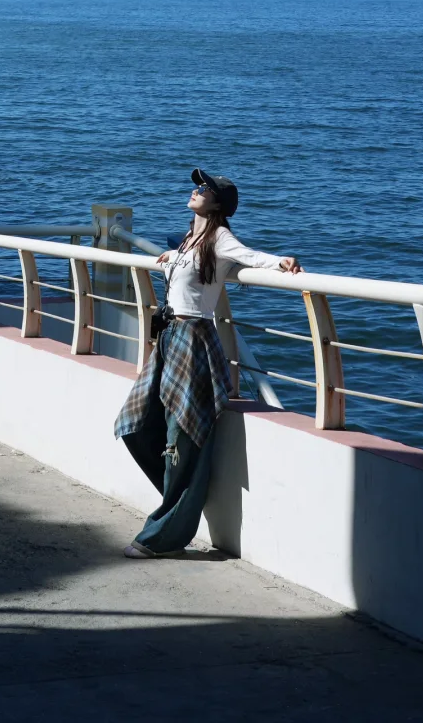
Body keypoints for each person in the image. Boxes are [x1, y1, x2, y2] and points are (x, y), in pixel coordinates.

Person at [115, 168, 301, 559]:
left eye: (205, 189)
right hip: (169, 337)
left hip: (195, 340)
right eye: (197, 186)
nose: (197, 191)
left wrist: (280, 262)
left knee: (181, 437)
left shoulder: (219, 237)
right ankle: (178, 501)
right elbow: (185, 276)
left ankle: (164, 536)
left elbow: (248, 257)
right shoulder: (189, 238)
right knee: (134, 424)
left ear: (218, 203)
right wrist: (169, 258)